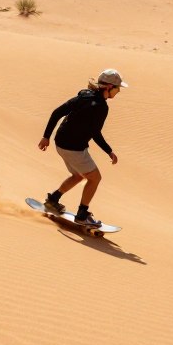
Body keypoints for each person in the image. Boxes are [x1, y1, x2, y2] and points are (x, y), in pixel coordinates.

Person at [37, 69, 127, 228]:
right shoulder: (101, 107)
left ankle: (53, 200)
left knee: (78, 175)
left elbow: (57, 113)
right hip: (74, 148)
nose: (118, 91)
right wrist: (109, 150)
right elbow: (95, 133)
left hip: (60, 143)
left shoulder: (84, 96)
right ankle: (82, 215)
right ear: (108, 87)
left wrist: (46, 137)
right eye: (117, 88)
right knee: (95, 178)